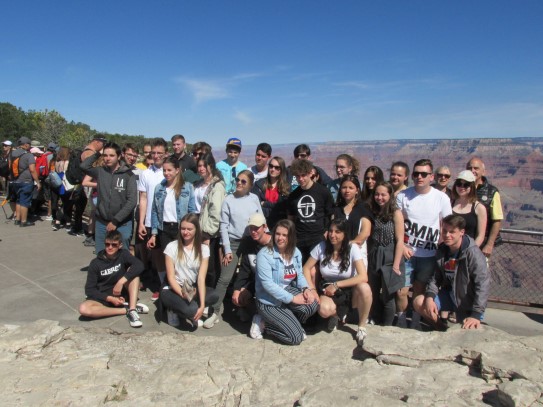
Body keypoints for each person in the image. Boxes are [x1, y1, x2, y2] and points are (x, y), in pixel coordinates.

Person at [396, 159, 452, 329]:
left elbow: (447, 224)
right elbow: (397, 224)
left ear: (431, 177)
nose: (419, 177)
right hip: (407, 252)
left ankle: (415, 321)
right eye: (416, 174)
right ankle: (401, 319)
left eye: (424, 174)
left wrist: (442, 247)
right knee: (402, 290)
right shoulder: (403, 196)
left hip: (429, 254)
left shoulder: (441, 198)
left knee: (419, 289)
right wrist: (402, 246)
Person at [204, 170, 263, 328]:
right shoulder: (228, 200)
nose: (239, 183)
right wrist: (227, 249)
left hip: (251, 242)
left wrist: (266, 239)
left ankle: (242, 308)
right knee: (225, 278)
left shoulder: (254, 199)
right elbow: (223, 225)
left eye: (243, 181)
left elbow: (261, 219)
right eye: (238, 179)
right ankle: (214, 312)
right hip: (233, 242)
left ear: (250, 185)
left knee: (248, 277)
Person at [302, 219, 373, 345]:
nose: (332, 235)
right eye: (330, 231)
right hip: (328, 288)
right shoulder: (322, 246)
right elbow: (306, 268)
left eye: (337, 232)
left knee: (365, 288)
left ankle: (361, 327)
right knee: (324, 310)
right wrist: (312, 289)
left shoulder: (352, 248)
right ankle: (338, 315)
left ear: (344, 234)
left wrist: (336, 285)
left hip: (348, 288)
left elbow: (363, 276)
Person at [413, 215, 490, 330]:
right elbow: (435, 278)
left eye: (452, 232)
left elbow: (483, 284)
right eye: (444, 231)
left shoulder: (472, 253)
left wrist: (476, 314)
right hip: (449, 296)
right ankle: (442, 329)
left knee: (466, 331)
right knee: (419, 302)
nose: (447, 235)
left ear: (462, 232)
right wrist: (429, 297)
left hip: (467, 301)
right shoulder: (442, 250)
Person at [252, 219, 319, 344]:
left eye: (284, 235)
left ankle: (290, 323)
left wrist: (306, 289)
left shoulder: (296, 252)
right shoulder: (264, 255)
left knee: (312, 304)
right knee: (296, 338)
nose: (280, 238)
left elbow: (299, 274)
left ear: (291, 237)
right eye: (277, 234)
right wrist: (293, 299)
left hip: (286, 292)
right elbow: (268, 285)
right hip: (268, 300)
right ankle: (264, 323)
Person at [159, 213, 219, 329]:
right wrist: (184, 295)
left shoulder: (204, 249)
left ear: (196, 230)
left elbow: (201, 278)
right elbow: (171, 278)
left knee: (213, 295)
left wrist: (202, 305)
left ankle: (193, 308)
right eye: (183, 228)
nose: (185, 232)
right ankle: (173, 310)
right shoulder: (172, 247)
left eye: (189, 229)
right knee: (191, 309)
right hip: (172, 288)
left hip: (190, 288)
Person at [79, 230, 148, 328]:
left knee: (134, 274)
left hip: (121, 294)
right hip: (104, 297)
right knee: (83, 309)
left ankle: (132, 310)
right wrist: (110, 298)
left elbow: (139, 265)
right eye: (107, 244)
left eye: (114, 245)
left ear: (120, 245)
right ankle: (126, 310)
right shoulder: (95, 263)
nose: (110, 247)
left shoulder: (123, 254)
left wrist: (121, 281)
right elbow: (89, 290)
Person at [80, 142, 138, 254]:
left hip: (122, 223)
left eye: (111, 155)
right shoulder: (100, 171)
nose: (107, 158)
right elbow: (84, 166)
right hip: (102, 222)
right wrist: (98, 153)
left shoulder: (128, 175)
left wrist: (115, 221)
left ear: (119, 156)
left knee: (122, 255)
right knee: (101, 254)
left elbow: (132, 201)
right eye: (105, 155)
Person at [367, 182, 405, 326]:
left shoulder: (396, 213)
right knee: (373, 290)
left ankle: (387, 325)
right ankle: (375, 319)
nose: (379, 197)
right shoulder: (372, 211)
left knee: (388, 295)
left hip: (390, 254)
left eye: (383, 194)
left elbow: (400, 240)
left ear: (390, 195)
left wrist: (396, 265)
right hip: (375, 253)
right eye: (377, 194)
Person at [137, 138, 168, 300]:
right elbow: (143, 198)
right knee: (156, 256)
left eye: (159, 153)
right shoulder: (146, 174)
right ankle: (161, 284)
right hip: (151, 220)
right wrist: (141, 222)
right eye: (153, 153)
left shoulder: (171, 171)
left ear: (166, 153)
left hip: (169, 221)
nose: (156, 156)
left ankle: (171, 285)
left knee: (169, 255)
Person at [287, 159, 334, 263]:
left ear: (310, 173)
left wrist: (327, 231)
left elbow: (330, 214)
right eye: (298, 176)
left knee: (314, 269)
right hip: (299, 239)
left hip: (318, 238)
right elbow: (290, 218)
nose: (301, 179)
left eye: (303, 175)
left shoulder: (323, 192)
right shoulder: (293, 196)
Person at [148, 157, 196, 255]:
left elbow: (191, 211)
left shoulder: (187, 187)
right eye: (164, 170)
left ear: (177, 170)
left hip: (181, 228)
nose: (166, 173)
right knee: (168, 258)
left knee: (182, 257)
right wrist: (154, 233)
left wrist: (191, 230)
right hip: (164, 229)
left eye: (169, 170)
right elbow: (154, 211)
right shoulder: (159, 188)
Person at [231, 213, 272, 322]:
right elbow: (244, 270)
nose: (253, 231)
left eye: (256, 228)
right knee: (239, 297)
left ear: (264, 227)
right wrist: (237, 289)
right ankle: (254, 311)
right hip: (255, 282)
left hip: (271, 283)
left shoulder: (274, 243)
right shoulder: (249, 243)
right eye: (251, 228)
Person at [195, 153, 226, 287]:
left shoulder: (216, 186)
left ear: (211, 166)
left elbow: (216, 212)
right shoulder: (198, 184)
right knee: (200, 262)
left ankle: (211, 292)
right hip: (197, 228)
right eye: (199, 165)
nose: (201, 168)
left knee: (210, 265)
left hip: (208, 232)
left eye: (204, 165)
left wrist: (207, 232)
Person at [70, 135, 108, 236]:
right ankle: (81, 230)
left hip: (85, 187)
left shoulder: (86, 151)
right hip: (89, 188)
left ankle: (84, 231)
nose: (103, 146)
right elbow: (89, 170)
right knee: (86, 209)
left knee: (88, 211)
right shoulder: (90, 153)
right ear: (97, 142)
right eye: (103, 143)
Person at [466, 157, 504, 258]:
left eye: (476, 168)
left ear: (483, 172)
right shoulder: (461, 188)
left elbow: (497, 220)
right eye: (469, 168)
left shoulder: (492, 192)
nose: (472, 171)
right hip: (463, 242)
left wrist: (489, 244)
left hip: (482, 244)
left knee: (479, 268)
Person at [332, 175, 372, 248]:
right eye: (344, 187)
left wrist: (350, 245)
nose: (347, 191)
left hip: (358, 250)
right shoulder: (336, 209)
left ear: (357, 190)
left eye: (351, 188)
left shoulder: (364, 208)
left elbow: (365, 232)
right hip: (338, 250)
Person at [7, 137, 40, 227]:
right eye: (29, 144)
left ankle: (17, 219)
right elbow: (32, 170)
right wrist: (37, 181)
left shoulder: (11, 154)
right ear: (25, 145)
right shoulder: (29, 155)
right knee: (25, 201)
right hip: (26, 181)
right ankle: (24, 221)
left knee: (18, 200)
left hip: (15, 180)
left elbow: (9, 167)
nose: (30, 146)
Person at [251, 156, 289, 229]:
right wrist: (274, 209)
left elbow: (284, 207)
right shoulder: (259, 184)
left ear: (281, 170)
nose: (273, 169)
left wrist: (265, 204)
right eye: (271, 166)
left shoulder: (286, 187)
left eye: (277, 168)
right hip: (261, 225)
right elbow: (255, 206)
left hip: (280, 225)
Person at [451, 170, 487, 247]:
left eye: (466, 185)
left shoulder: (479, 208)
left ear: (472, 187)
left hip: (469, 249)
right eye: (459, 184)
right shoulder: (449, 204)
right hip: (448, 249)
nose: (462, 187)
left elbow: (480, 236)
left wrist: (471, 250)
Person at [50, 147, 75, 231]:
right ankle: (62, 221)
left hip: (58, 183)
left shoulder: (57, 162)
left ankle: (64, 221)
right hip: (65, 184)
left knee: (64, 203)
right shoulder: (67, 162)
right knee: (67, 204)